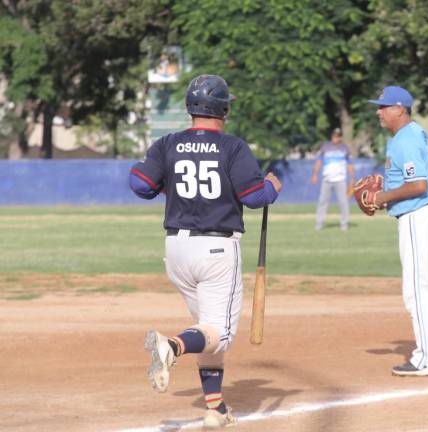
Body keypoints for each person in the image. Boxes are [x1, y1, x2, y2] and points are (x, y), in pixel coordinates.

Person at [128, 74, 282, 428]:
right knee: (219, 333)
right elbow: (255, 197)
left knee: (207, 332)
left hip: (176, 250)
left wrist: (167, 184)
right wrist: (273, 187)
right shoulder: (233, 147)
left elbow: (140, 184)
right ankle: (172, 346)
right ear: (224, 109)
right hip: (216, 250)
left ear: (189, 107)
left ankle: (216, 409)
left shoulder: (167, 143)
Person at [366, 86, 428, 377]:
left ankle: (425, 358)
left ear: (399, 109)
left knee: (416, 290)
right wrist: (388, 195)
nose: (378, 112)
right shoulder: (417, 133)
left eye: (383, 107)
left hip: (418, 216)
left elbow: (418, 185)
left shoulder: (404, 140)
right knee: (426, 284)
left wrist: (382, 197)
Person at [310, 128, 355, 231]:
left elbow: (350, 164)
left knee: (343, 202)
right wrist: (314, 174)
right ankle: (319, 223)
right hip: (327, 179)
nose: (336, 138)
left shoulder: (345, 148)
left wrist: (352, 178)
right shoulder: (325, 147)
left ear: (340, 137)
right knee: (322, 201)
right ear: (332, 136)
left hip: (340, 179)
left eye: (338, 136)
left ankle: (344, 224)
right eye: (334, 136)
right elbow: (318, 162)